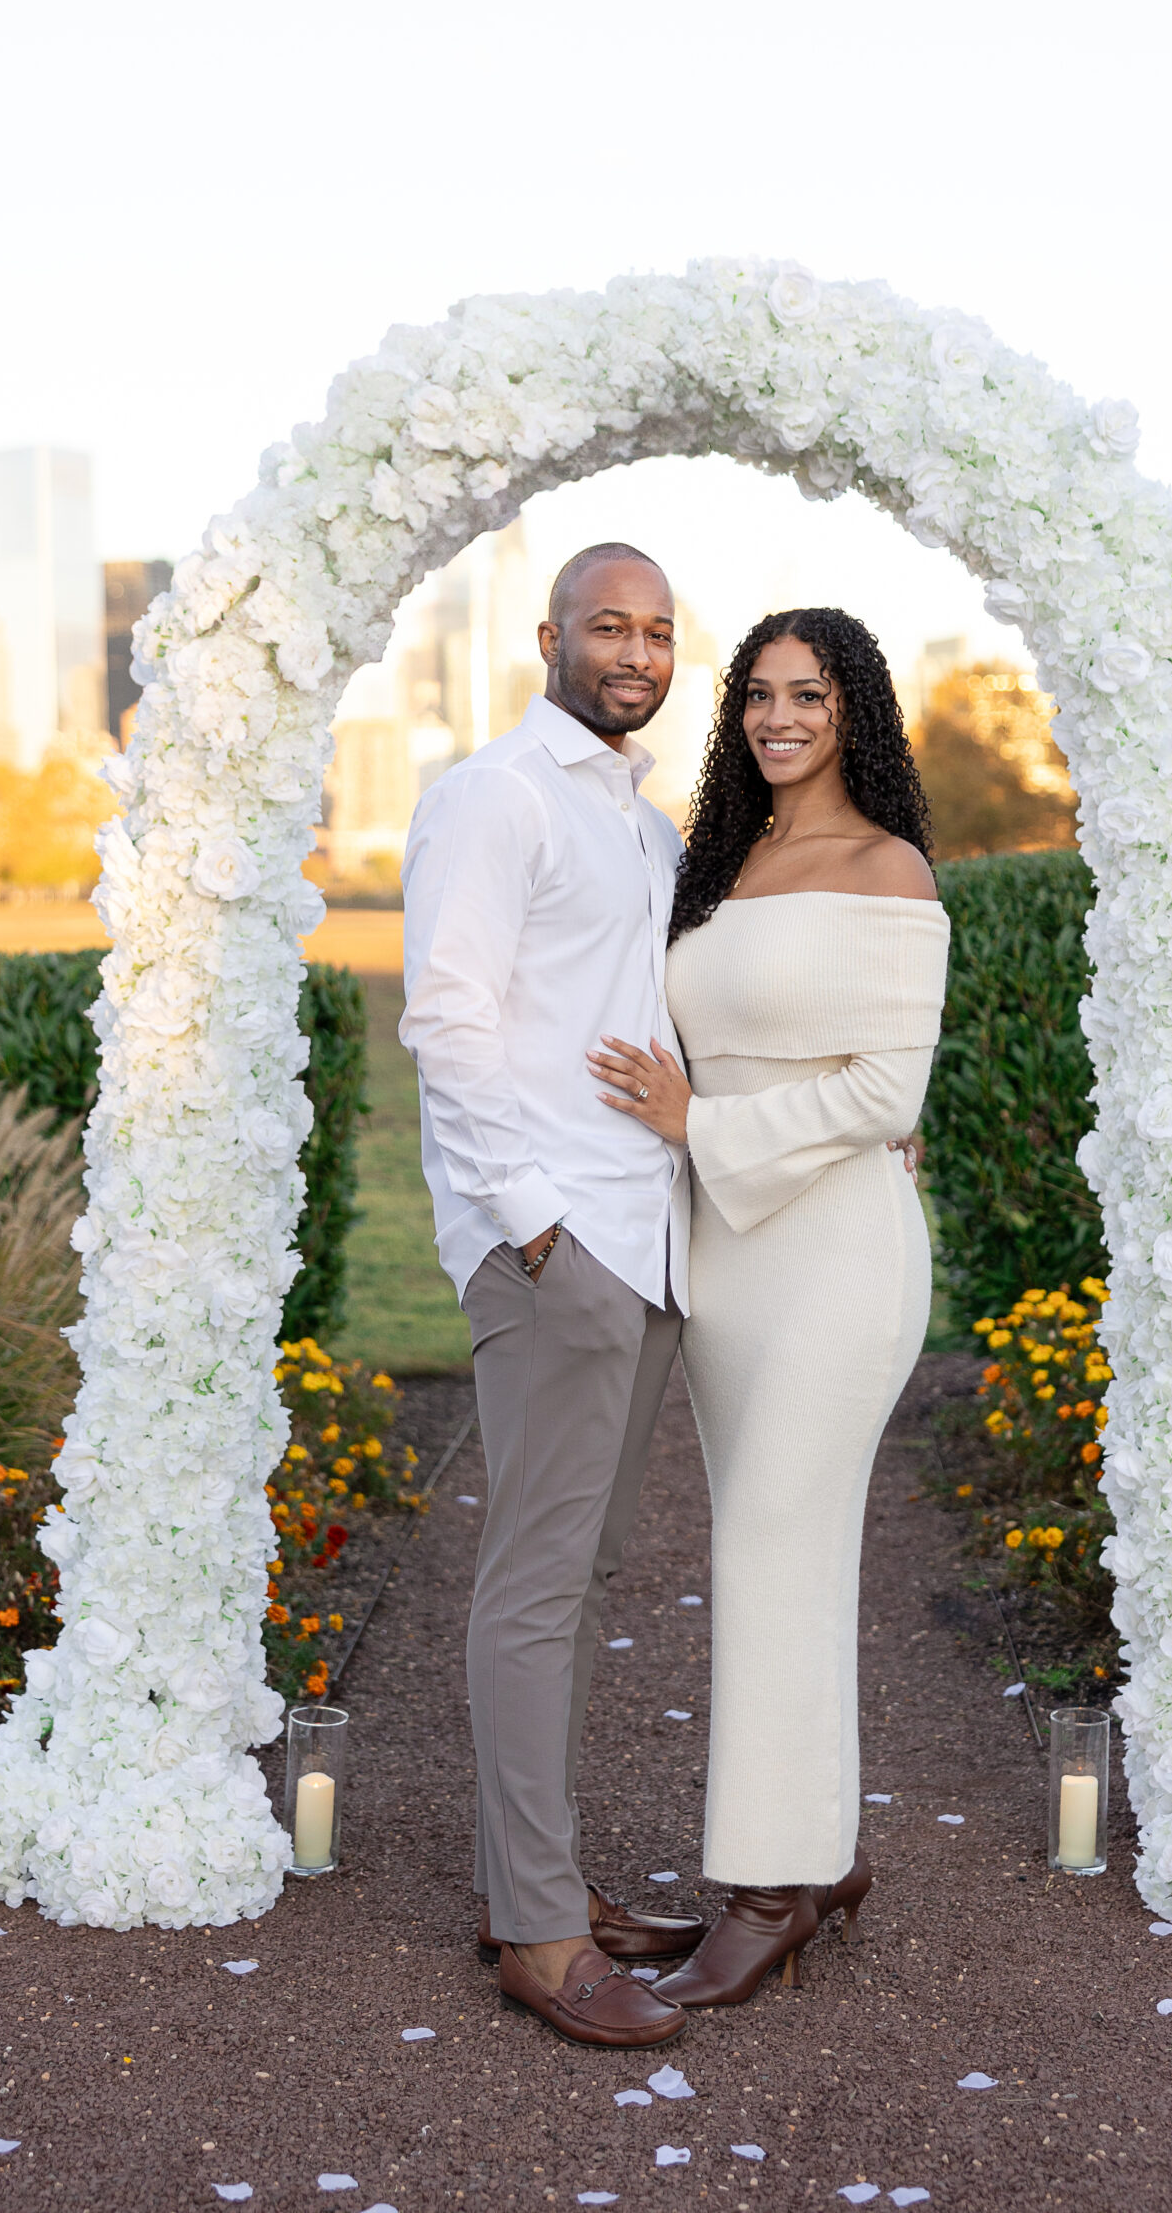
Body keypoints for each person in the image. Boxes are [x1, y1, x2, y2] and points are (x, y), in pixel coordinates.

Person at [589, 607, 948, 2006]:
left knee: (764, 1551)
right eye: (757, 695)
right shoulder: (723, 866)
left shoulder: (889, 870)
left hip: (837, 1256)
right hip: (725, 1256)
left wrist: (700, 1120)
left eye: (809, 694)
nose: (777, 717)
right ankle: (822, 1852)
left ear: (855, 709)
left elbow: (888, 1096)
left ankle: (768, 1888)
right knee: (776, 1550)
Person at [399, 541, 704, 2050]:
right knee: (534, 1587)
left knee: (575, 1584)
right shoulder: (495, 795)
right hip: (559, 1248)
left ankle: (540, 1883)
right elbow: (447, 1017)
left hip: (640, 1244)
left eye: (656, 629)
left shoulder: (643, 826)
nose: (634, 647)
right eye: (608, 623)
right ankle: (537, 1932)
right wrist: (529, 1230)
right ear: (549, 636)